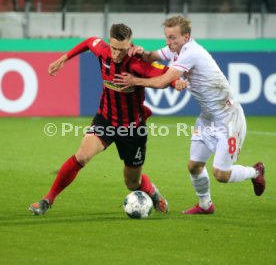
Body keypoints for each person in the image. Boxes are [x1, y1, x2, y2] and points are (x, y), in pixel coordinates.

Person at [114, 15, 266, 214]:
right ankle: (205, 206)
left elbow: (162, 81)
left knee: (221, 174)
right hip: (207, 118)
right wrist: (141, 52)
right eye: (167, 37)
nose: (169, 42)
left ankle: (256, 172)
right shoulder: (175, 49)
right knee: (194, 166)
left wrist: (135, 81)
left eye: (173, 38)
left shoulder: (191, 53)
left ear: (186, 37)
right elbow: (152, 56)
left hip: (228, 119)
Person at [29, 23, 169, 215]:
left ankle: (152, 192)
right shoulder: (102, 52)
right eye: (114, 48)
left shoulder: (138, 62)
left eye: (123, 49)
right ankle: (47, 200)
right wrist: (63, 59)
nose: (118, 54)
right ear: (109, 42)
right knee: (82, 156)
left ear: (130, 45)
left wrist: (177, 81)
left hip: (133, 129)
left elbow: (166, 75)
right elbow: (88, 42)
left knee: (132, 183)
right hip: (106, 120)